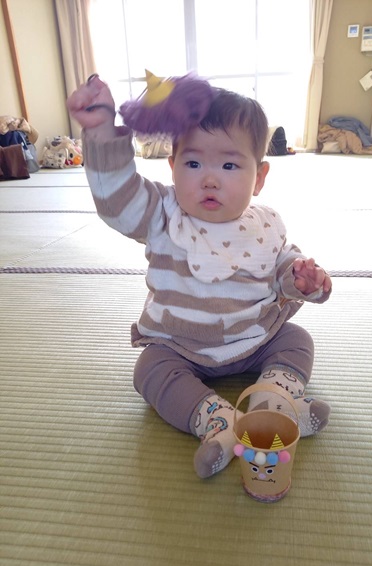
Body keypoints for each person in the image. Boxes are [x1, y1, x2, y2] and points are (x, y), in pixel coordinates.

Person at [67, 75, 332, 479]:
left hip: (254, 338)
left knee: (296, 340)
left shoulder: (265, 224)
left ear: (259, 178)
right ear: (172, 167)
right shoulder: (161, 215)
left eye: (229, 165)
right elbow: (117, 199)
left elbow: (283, 266)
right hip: (181, 345)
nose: (210, 178)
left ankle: (274, 401)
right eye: (193, 163)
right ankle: (216, 420)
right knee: (149, 369)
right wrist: (102, 132)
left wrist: (303, 282)